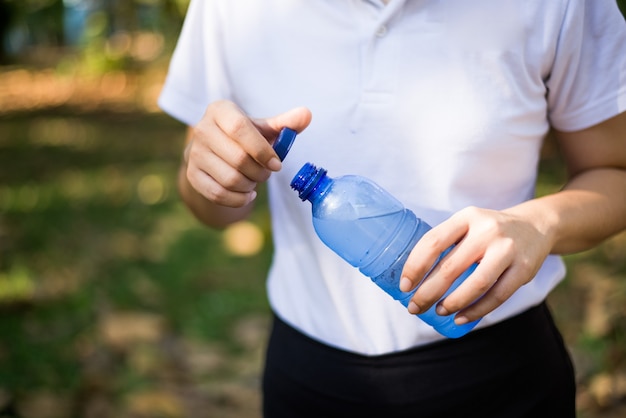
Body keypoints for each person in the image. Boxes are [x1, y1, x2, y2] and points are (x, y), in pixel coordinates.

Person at [158, 0, 626, 416]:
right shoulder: (229, 7)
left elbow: (615, 173)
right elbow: (210, 207)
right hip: (308, 375)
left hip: (498, 371)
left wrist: (539, 224)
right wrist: (209, 176)